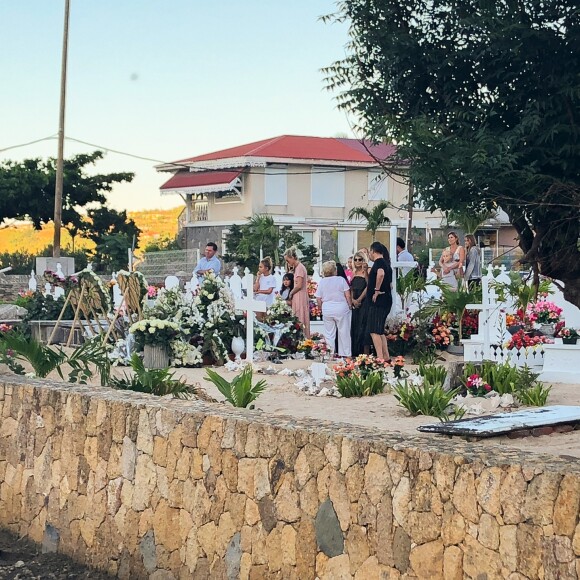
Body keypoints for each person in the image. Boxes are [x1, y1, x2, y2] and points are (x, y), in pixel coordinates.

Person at [315, 260, 352, 357]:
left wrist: (321, 308)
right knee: (344, 331)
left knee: (329, 333)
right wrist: (350, 305)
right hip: (341, 307)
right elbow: (347, 295)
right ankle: (345, 353)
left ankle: (329, 353)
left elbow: (318, 298)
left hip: (327, 308)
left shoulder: (322, 282)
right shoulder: (341, 280)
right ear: (335, 270)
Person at [366, 241, 393, 361]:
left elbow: (380, 274)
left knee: (374, 330)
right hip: (386, 299)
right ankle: (385, 356)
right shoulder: (387, 264)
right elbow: (390, 284)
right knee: (380, 329)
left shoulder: (379, 263)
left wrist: (376, 290)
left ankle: (380, 357)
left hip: (379, 300)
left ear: (373, 251)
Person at [283, 247, 310, 338]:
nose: (288, 263)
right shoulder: (297, 268)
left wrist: (290, 293)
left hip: (299, 296)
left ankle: (302, 338)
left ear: (293, 257)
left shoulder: (299, 268)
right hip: (297, 296)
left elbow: (299, 285)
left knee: (300, 317)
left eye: (288, 260)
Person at [350, 251, 370, 356]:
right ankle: (355, 351)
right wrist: (353, 300)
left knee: (363, 325)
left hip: (364, 300)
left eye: (360, 259)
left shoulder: (366, 271)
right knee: (355, 325)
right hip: (355, 300)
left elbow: (368, 286)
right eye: (356, 259)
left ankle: (365, 352)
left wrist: (360, 299)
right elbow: (351, 287)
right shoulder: (353, 272)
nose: (357, 262)